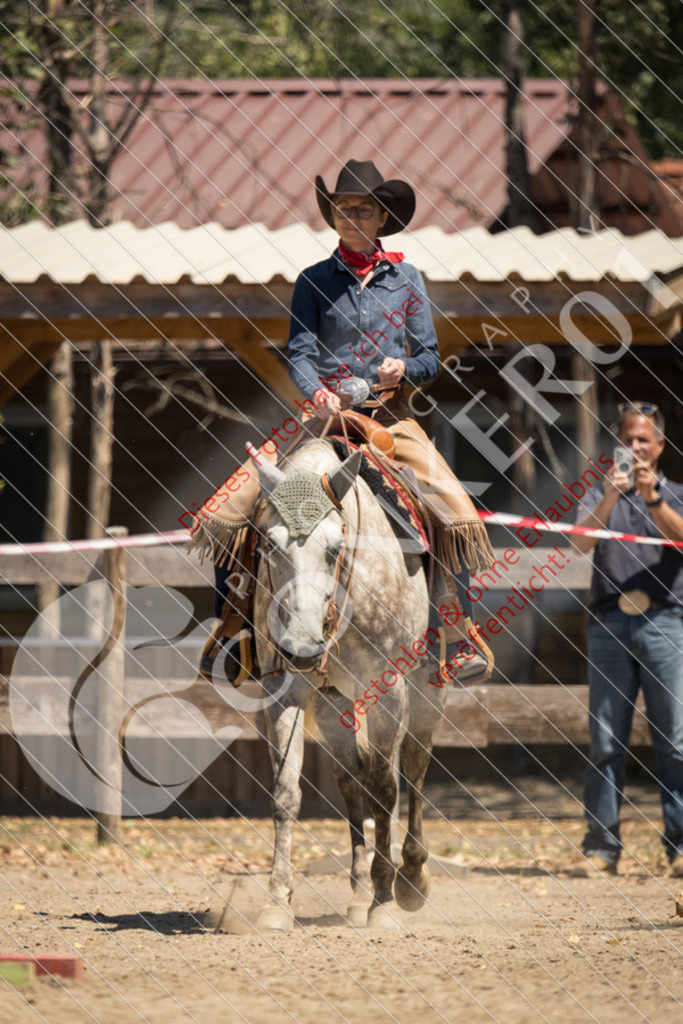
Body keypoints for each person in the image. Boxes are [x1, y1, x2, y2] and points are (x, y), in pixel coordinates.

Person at [192, 159, 494, 683]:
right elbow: (300, 354)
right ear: (332, 217)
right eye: (342, 210)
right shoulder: (312, 281)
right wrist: (319, 393)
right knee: (233, 506)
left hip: (389, 421)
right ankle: (234, 630)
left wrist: (405, 367)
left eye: (361, 210)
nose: (351, 217)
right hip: (322, 418)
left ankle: (456, 635)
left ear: (381, 218)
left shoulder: (408, 280)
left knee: (453, 506)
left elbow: (430, 357)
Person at [572, 402, 683, 876]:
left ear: (659, 446)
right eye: (628, 439)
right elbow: (578, 543)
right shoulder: (601, 493)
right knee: (605, 740)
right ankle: (601, 848)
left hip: (665, 625)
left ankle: (679, 848)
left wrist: (652, 497)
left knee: (675, 741)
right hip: (609, 626)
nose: (635, 448)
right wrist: (611, 499)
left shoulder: (675, 493)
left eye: (644, 440)